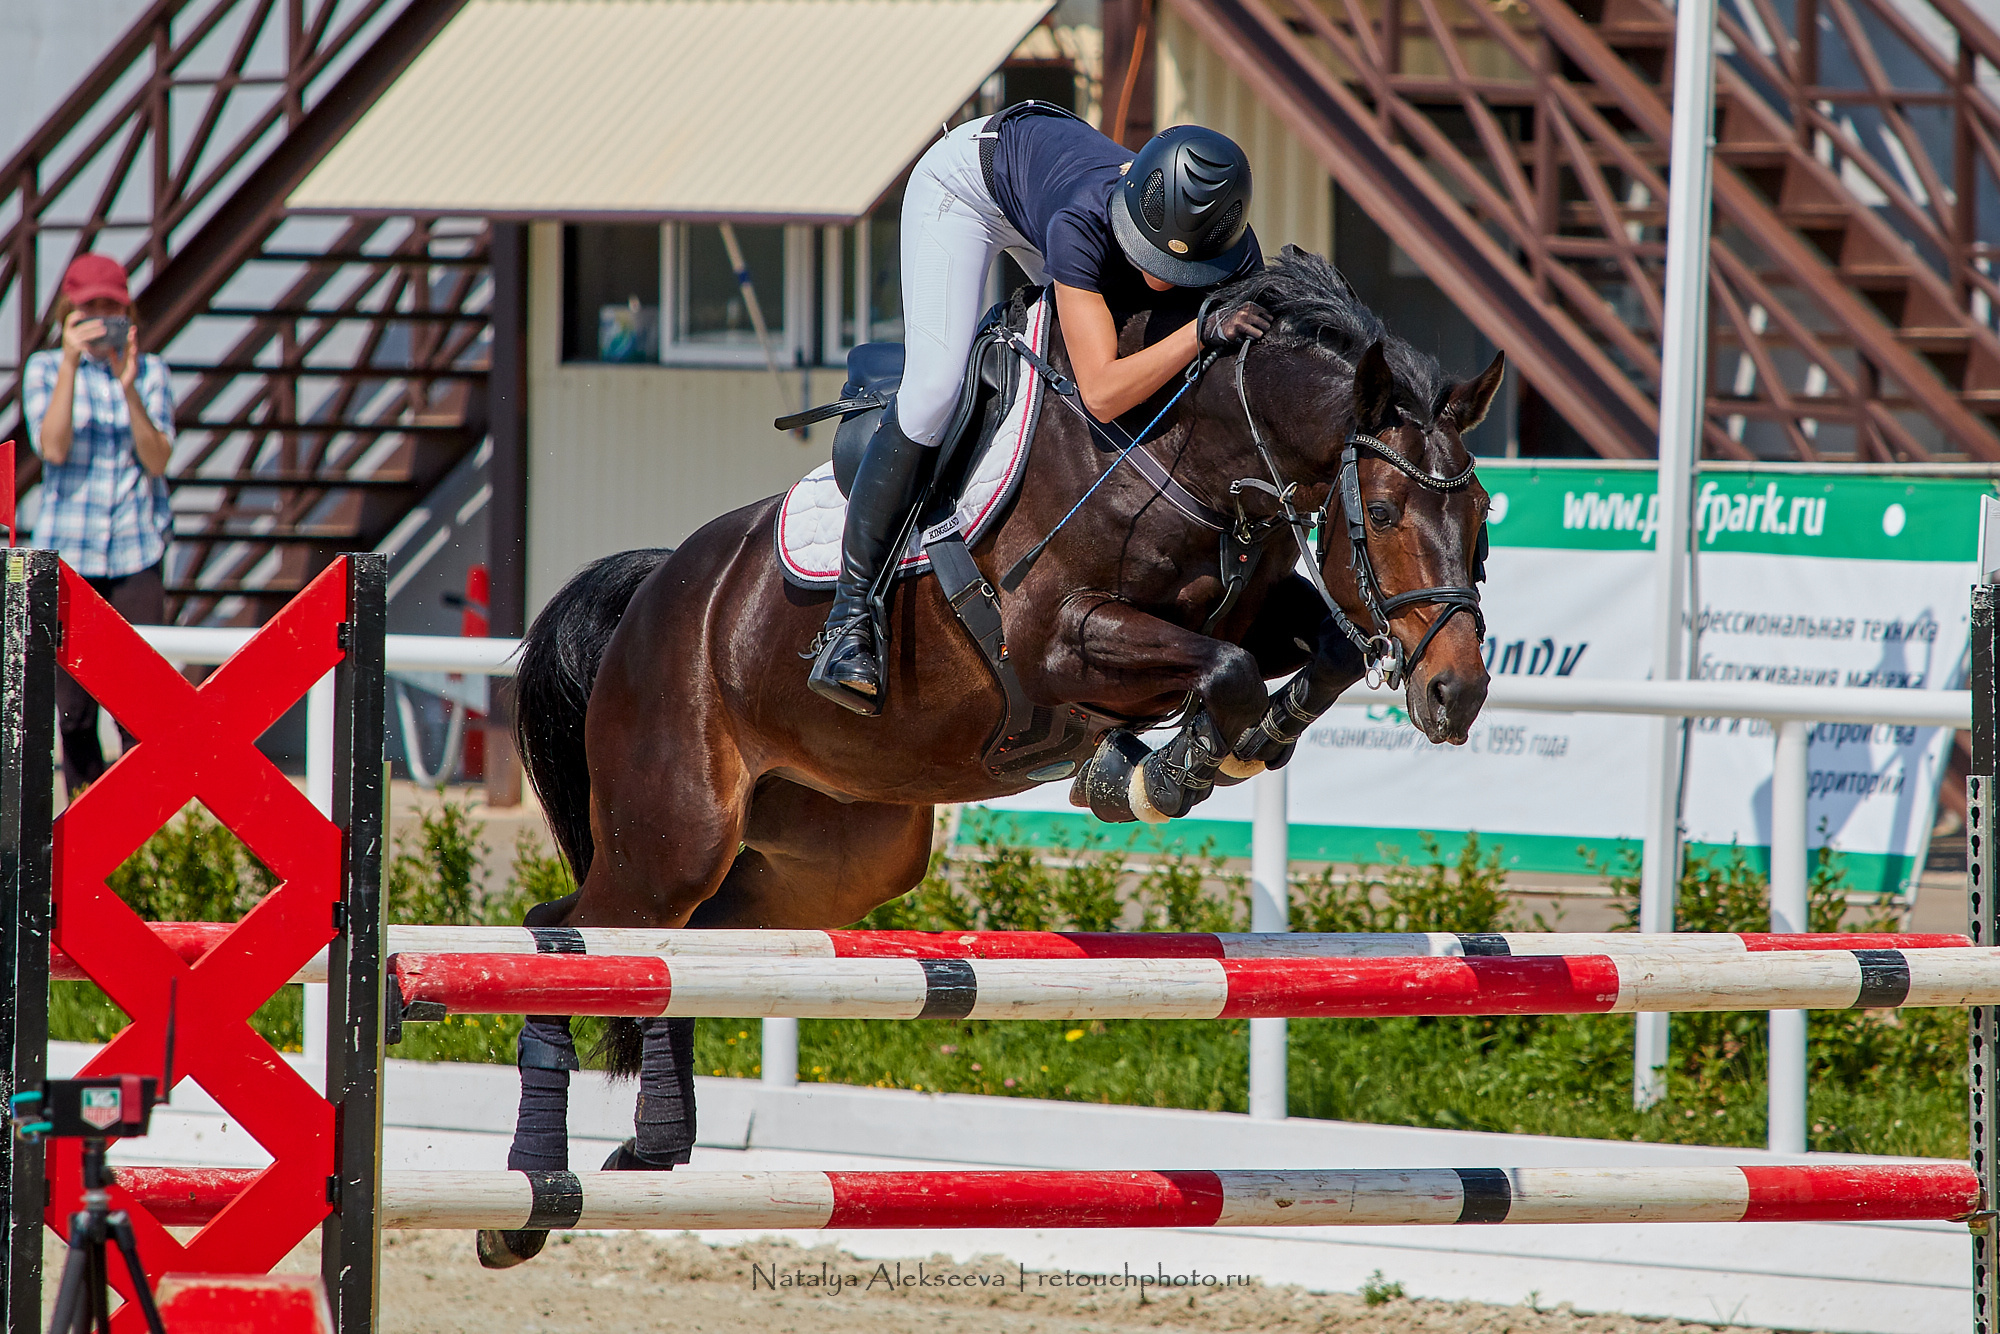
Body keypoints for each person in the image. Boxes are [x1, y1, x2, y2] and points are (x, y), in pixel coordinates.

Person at [806, 106, 1274, 715]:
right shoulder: (1080, 221)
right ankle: (849, 618)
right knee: (932, 394)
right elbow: (1103, 391)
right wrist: (1196, 335)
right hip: (969, 191)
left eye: (1181, 271)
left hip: (1046, 183)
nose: (1162, 281)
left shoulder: (1234, 251)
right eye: (1152, 259)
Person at [23, 252, 176, 792]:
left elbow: (157, 459)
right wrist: (68, 363)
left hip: (137, 552)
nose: (101, 317)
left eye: (110, 306)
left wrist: (128, 384)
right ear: (70, 312)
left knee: (140, 704)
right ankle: (88, 813)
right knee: (74, 708)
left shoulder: (152, 372)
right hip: (71, 556)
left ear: (128, 311)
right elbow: (53, 447)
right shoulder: (44, 369)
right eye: (90, 308)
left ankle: (138, 819)